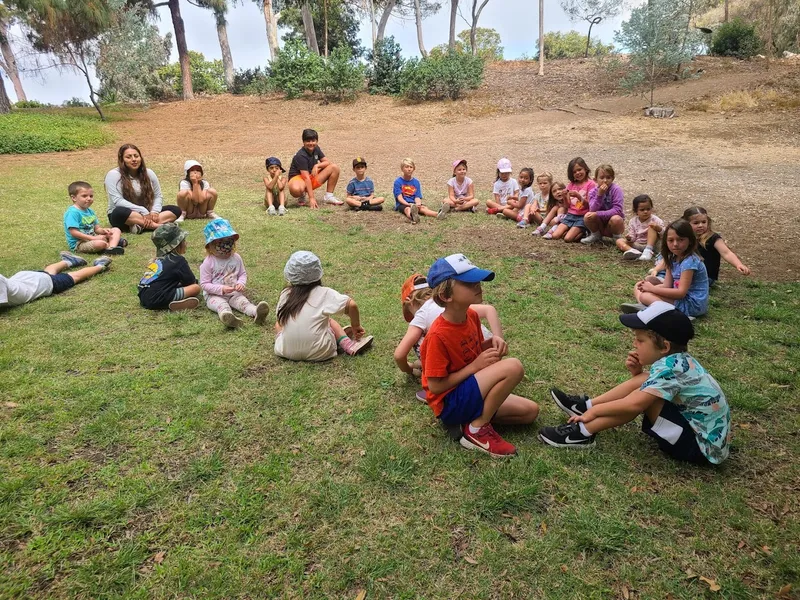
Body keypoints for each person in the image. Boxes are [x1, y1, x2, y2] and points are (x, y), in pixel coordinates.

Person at [539, 302, 731, 465]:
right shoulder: (679, 361)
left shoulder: (670, 368)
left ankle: (583, 432)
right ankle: (585, 406)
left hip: (699, 449)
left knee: (642, 398)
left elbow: (634, 404)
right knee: (644, 380)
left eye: (640, 340)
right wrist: (637, 373)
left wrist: (596, 413)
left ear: (665, 347)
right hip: (703, 439)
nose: (634, 344)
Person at [420, 253, 539, 457]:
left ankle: (466, 424)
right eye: (469, 282)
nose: (477, 285)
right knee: (514, 367)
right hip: (451, 403)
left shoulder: (471, 316)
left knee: (530, 411)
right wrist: (475, 366)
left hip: (471, 390)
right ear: (446, 296)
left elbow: (471, 351)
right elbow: (435, 386)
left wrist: (490, 344)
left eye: (477, 280)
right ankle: (477, 429)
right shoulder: (438, 335)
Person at [394, 273, 503, 380]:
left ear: (409, 302)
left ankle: (437, 376)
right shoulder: (450, 304)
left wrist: (409, 369)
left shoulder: (421, 315)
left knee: (421, 338)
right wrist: (498, 341)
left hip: (467, 362)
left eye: (409, 313)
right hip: (490, 353)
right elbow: (489, 310)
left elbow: (399, 355)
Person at [274, 251, 373, 361]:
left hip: (286, 352)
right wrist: (356, 326)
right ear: (318, 273)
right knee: (329, 322)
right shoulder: (324, 293)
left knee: (279, 323)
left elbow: (281, 320)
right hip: (321, 352)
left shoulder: (285, 294)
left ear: (289, 274)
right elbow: (352, 305)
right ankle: (348, 344)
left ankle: (296, 341)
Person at [623, 219, 709, 318]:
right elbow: (667, 285)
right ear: (666, 241)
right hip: (681, 298)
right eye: (671, 240)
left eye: (681, 239)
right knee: (639, 286)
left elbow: (681, 293)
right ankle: (646, 306)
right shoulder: (671, 258)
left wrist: (652, 289)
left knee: (645, 295)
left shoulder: (690, 261)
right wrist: (649, 288)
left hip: (692, 305)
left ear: (690, 241)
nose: (675, 244)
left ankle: (673, 314)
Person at [200, 218, 270, 328]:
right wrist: (221, 289)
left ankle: (256, 312)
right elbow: (204, 284)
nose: (226, 252)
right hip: (213, 296)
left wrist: (241, 283)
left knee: (243, 303)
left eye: (229, 247)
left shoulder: (236, 258)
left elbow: (242, 274)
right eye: (221, 249)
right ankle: (228, 317)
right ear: (210, 247)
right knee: (221, 305)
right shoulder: (208, 263)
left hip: (234, 293)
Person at [104, 143, 181, 234]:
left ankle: (138, 225)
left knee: (175, 210)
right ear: (122, 160)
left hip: (147, 213)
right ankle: (158, 226)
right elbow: (118, 201)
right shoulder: (113, 175)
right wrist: (142, 211)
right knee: (119, 211)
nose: (134, 159)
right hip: (125, 214)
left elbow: (158, 195)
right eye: (128, 157)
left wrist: (154, 211)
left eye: (136, 156)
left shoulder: (149, 173)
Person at [1, 252, 111, 309]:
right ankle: (69, 261)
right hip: (24, 278)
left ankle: (100, 266)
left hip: (42, 284)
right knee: (47, 274)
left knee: (74, 276)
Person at [137, 223, 201, 311]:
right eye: (184, 240)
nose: (186, 243)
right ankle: (171, 303)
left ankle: (169, 301)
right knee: (195, 288)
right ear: (177, 244)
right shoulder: (178, 260)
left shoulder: (157, 260)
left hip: (144, 297)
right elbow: (190, 282)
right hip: (158, 297)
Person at [683, 206, 751, 285]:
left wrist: (739, 264)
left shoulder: (713, 238)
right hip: (686, 272)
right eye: (696, 223)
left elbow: (726, 253)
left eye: (704, 222)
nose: (700, 225)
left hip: (706, 277)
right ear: (686, 223)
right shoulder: (684, 237)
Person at [63, 181, 125, 255]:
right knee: (100, 244)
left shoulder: (90, 211)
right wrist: (93, 238)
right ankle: (111, 243)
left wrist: (104, 231)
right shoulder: (72, 212)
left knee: (116, 230)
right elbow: (74, 232)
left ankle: (111, 248)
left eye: (91, 196)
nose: (89, 198)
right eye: (84, 196)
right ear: (74, 198)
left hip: (94, 238)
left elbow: (97, 229)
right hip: (80, 243)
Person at [286, 129, 343, 208]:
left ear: (316, 141)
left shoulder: (316, 148)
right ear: (303, 142)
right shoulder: (301, 156)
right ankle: (302, 194)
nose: (311, 143)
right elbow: (305, 178)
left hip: (310, 176)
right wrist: (311, 198)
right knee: (297, 189)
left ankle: (329, 196)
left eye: (313, 141)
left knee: (334, 168)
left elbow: (327, 162)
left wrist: (317, 166)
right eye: (308, 141)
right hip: (298, 178)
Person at [550, 157, 597, 242]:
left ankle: (584, 231)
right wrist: (564, 196)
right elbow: (567, 205)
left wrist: (578, 196)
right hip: (570, 215)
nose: (577, 173)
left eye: (579, 170)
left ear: (585, 169)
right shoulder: (571, 185)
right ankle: (571, 230)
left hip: (582, 216)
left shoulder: (591, 184)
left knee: (568, 239)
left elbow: (590, 205)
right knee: (555, 235)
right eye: (574, 172)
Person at [581, 164, 624, 244]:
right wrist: (599, 195)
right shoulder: (593, 191)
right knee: (588, 216)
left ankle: (616, 238)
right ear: (595, 180)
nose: (605, 180)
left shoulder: (616, 190)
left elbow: (617, 210)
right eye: (602, 177)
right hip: (600, 222)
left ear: (613, 178)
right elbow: (592, 209)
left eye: (608, 177)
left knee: (616, 219)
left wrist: (598, 214)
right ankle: (596, 235)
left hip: (613, 223)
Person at [617, 194, 664, 261]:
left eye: (648, 209)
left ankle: (648, 251)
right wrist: (629, 238)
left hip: (653, 245)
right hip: (638, 244)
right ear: (636, 211)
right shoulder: (633, 221)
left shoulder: (656, 220)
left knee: (651, 227)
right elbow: (633, 237)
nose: (645, 212)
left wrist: (658, 228)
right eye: (642, 210)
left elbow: (664, 234)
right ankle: (633, 251)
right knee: (619, 241)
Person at [393, 158, 437, 224]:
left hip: (414, 204)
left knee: (423, 208)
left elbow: (417, 197)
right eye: (407, 167)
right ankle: (412, 215)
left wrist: (418, 203)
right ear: (402, 169)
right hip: (403, 204)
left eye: (411, 167)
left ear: (414, 169)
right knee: (407, 209)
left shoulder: (416, 182)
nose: (409, 169)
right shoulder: (398, 182)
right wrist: (409, 204)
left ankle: (437, 214)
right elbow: (400, 198)